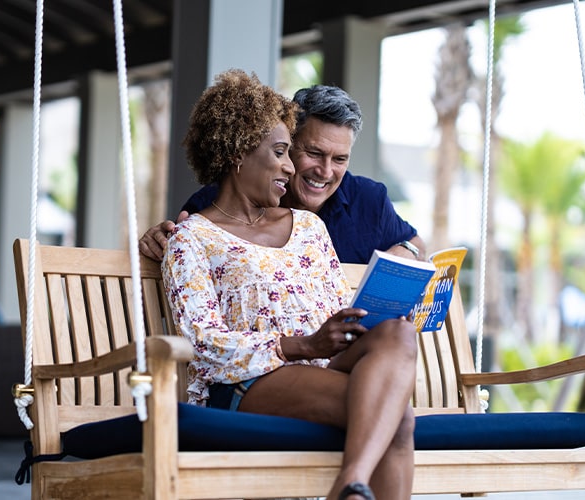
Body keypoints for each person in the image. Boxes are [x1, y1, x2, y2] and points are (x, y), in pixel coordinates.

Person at [162, 69, 417, 500]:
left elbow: (337, 312)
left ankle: (349, 485)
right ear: (239, 153)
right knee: (399, 417)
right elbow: (201, 342)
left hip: (321, 368)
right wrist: (299, 347)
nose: (289, 166)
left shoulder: (310, 227)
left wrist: (372, 317)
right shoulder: (191, 236)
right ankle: (350, 487)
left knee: (399, 333)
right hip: (249, 379)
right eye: (282, 152)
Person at [140, 84, 427, 265]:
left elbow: (415, 243)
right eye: (314, 153)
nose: (325, 172)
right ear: (287, 142)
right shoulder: (216, 203)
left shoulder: (370, 199)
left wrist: (405, 254)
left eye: (340, 159)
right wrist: (159, 240)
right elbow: (180, 249)